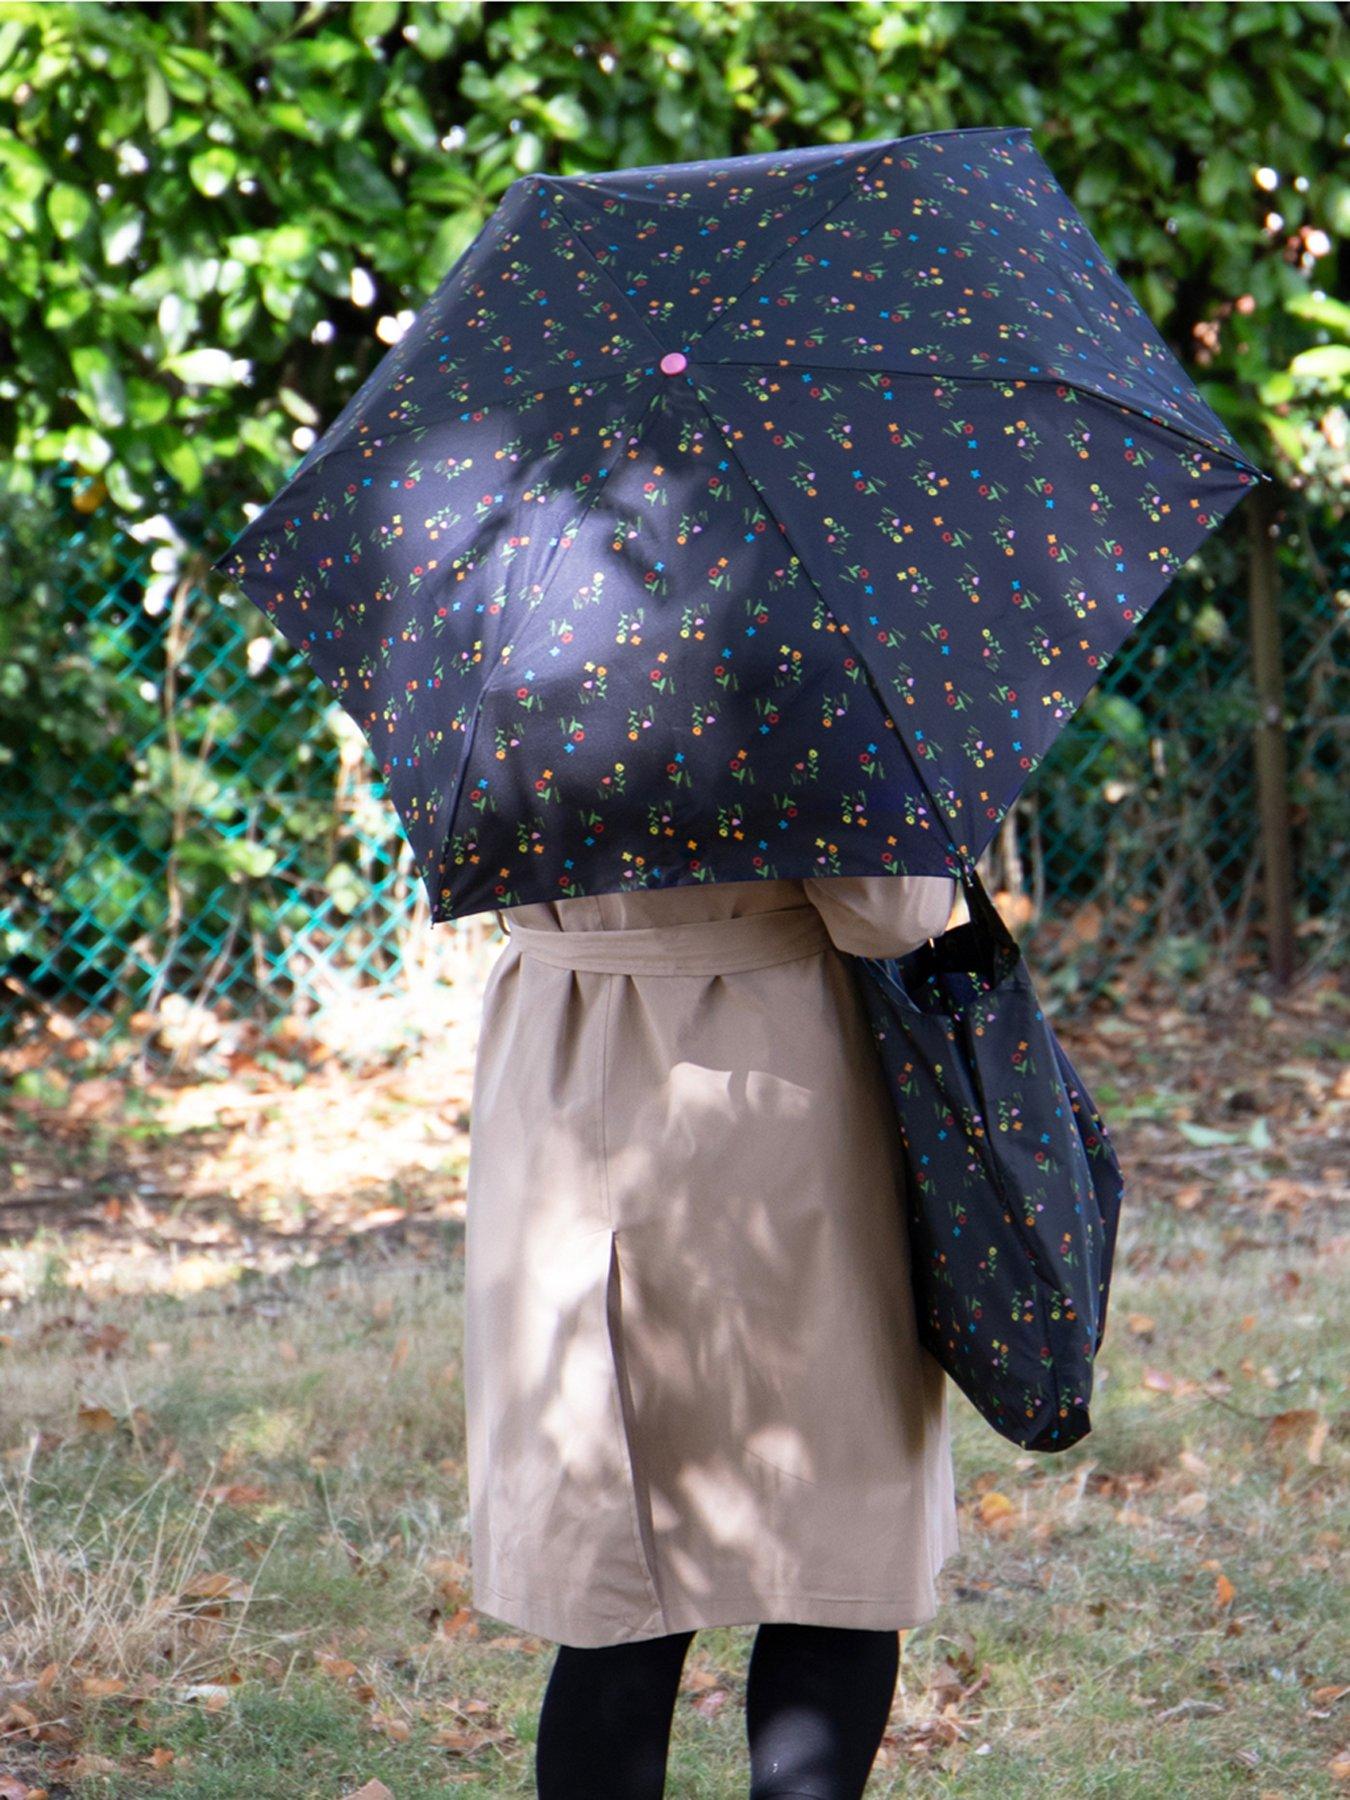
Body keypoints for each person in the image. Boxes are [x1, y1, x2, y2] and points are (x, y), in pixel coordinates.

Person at [463, 870, 960, 1799]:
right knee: (830, 1535)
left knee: (621, 1554)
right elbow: (888, 915)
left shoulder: (507, 717)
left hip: (558, 1070)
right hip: (768, 1078)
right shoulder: (797, 713)